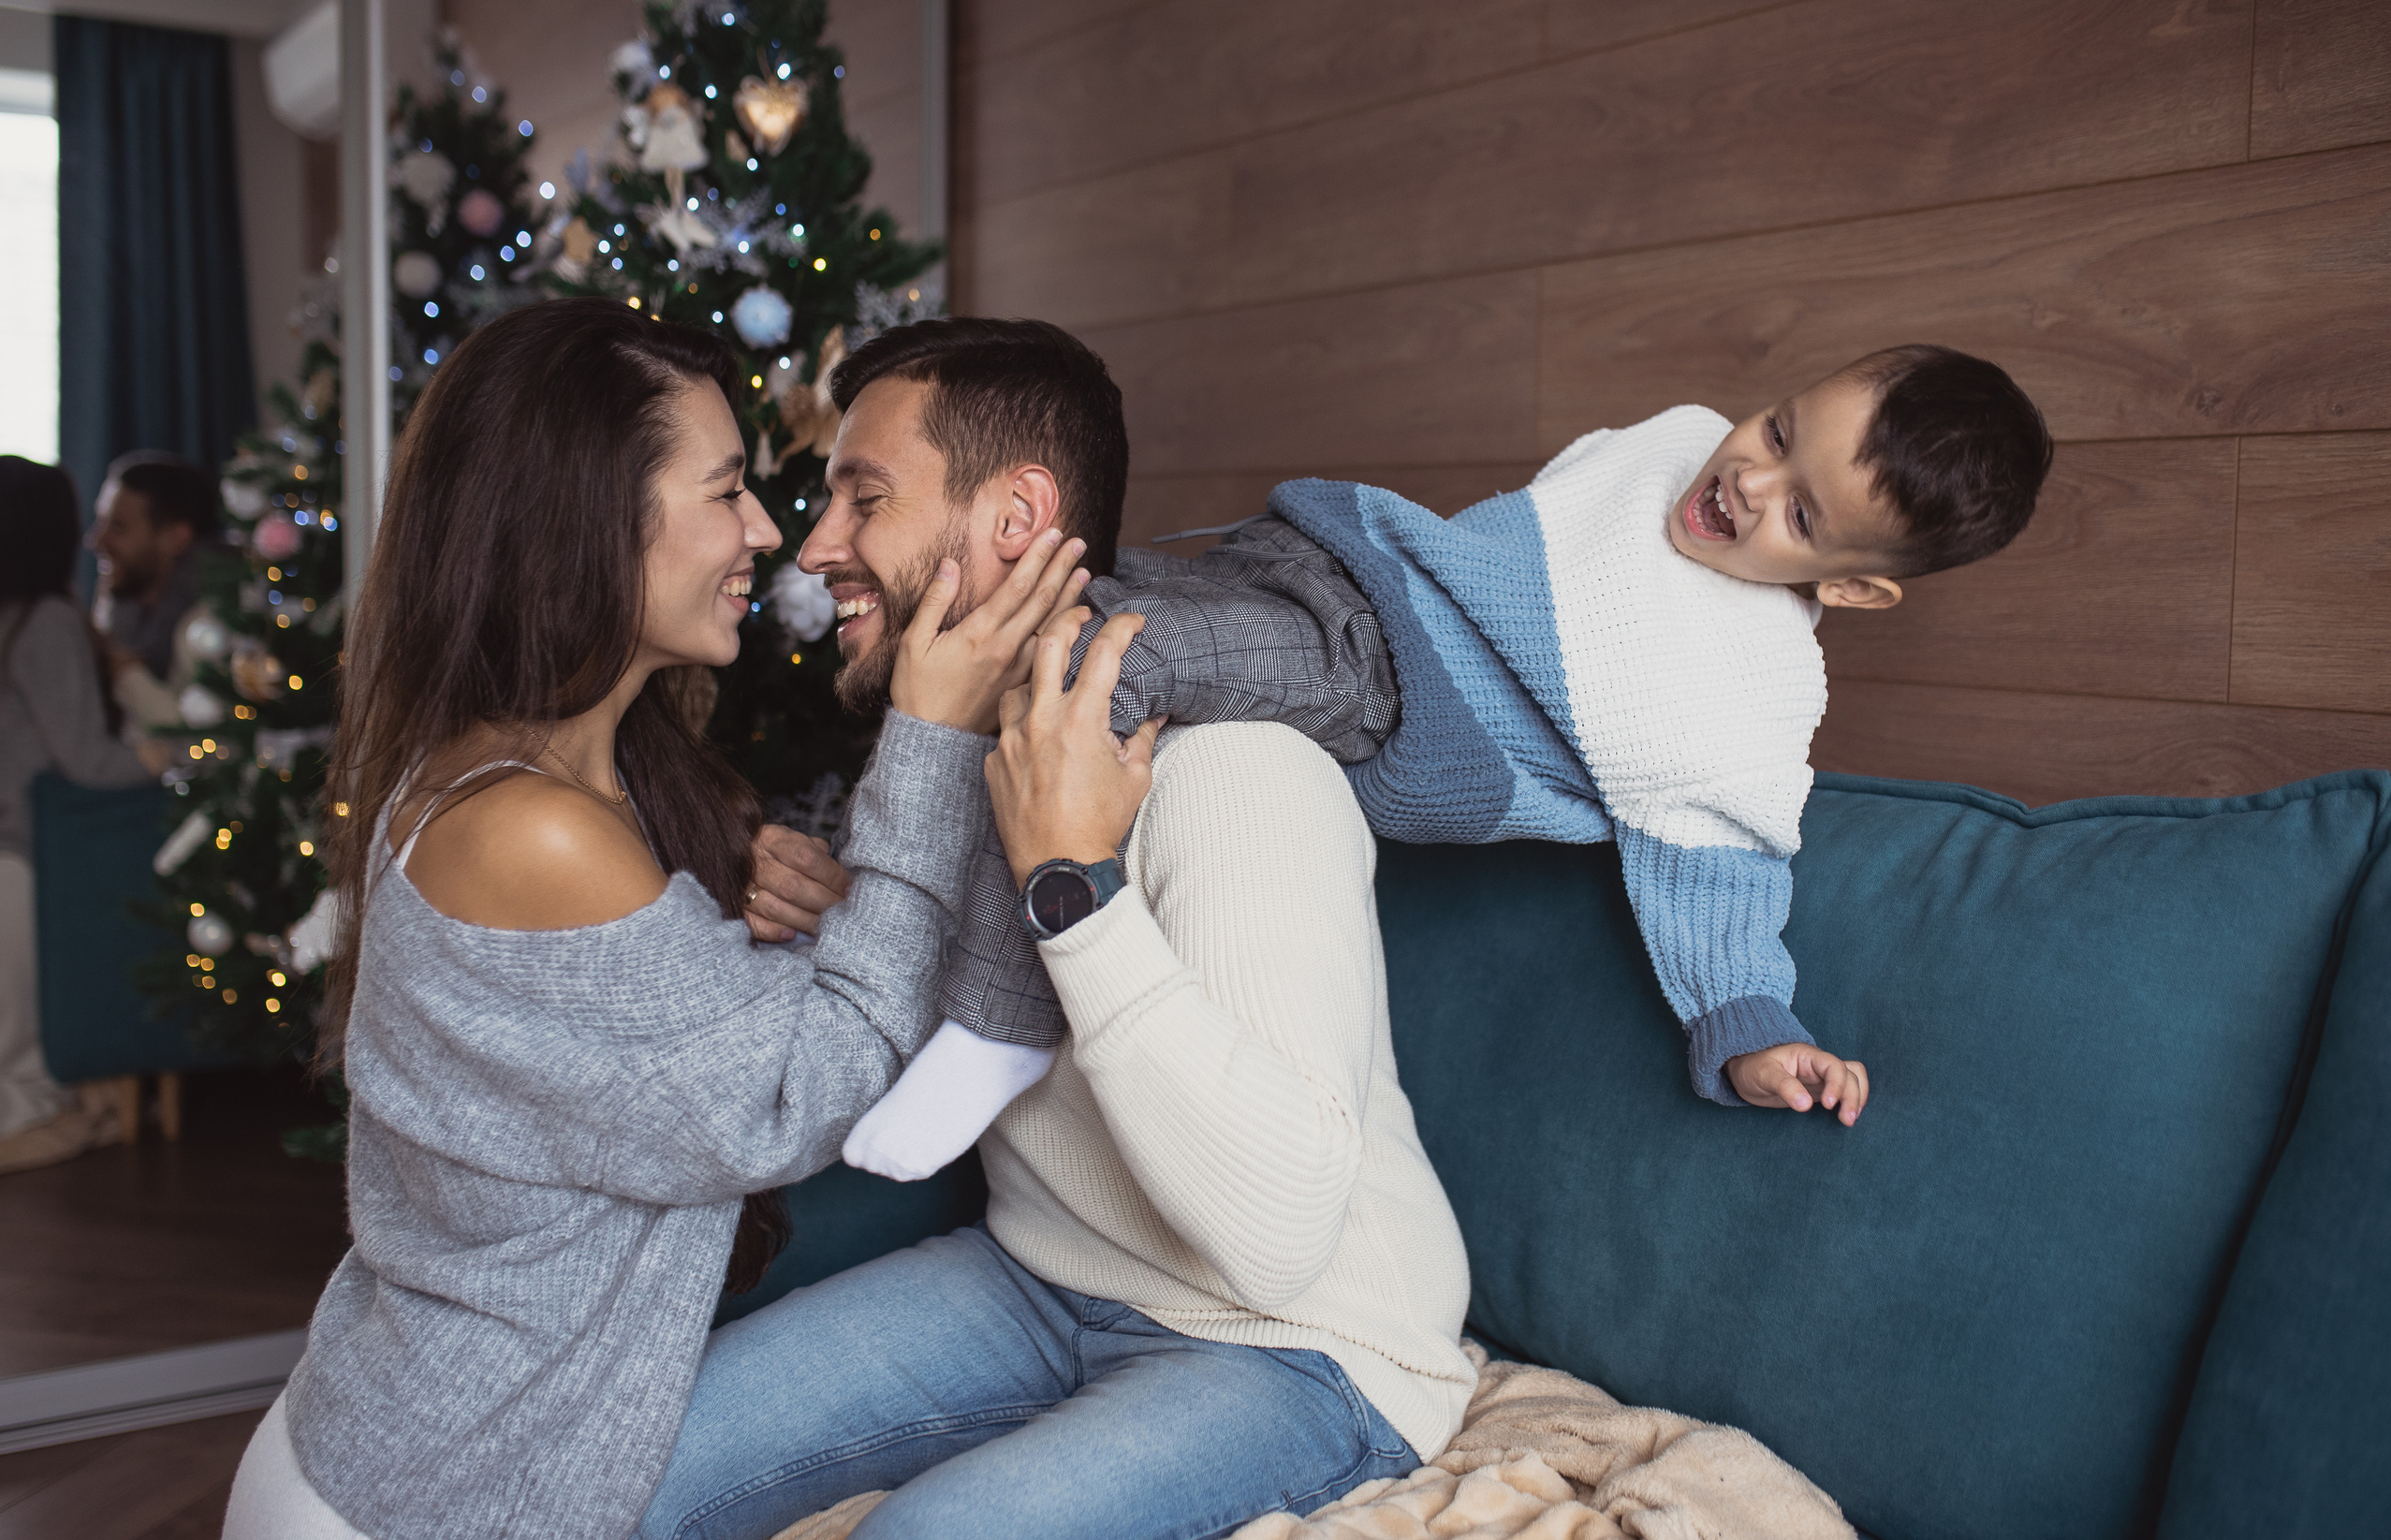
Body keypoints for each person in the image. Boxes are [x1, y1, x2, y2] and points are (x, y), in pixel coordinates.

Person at [217, 299, 1139, 1540]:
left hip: (410, 1453)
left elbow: (666, 1063)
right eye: (726, 492)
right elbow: (808, 1087)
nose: (770, 533)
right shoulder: (527, 832)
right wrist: (931, 736)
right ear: (588, 525)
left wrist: (834, 923)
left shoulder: (587, 776)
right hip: (416, 1505)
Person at [636, 318, 1474, 1540]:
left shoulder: (1237, 768)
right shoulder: (948, 750)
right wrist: (849, 925)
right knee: (640, 1465)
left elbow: (1279, 1239)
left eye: (864, 499)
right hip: (1039, 1275)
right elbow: (977, 1044)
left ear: (1015, 517)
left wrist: (1073, 884)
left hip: (1301, 1347)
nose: (813, 551)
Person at [846, 343, 2056, 1181]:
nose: (1745, 480)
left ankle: (1000, 1025)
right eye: (1780, 429)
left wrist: (1755, 1033)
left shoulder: (1749, 706)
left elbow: (1725, 887)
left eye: (1800, 512)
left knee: (1092, 659)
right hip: (1323, 561)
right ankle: (847, 864)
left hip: (1371, 682)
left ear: (1848, 585)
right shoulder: (1686, 438)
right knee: (1049, 607)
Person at [0, 456, 160, 1174]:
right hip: (18, 855)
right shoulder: (48, 621)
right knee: (19, 1073)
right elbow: (85, 759)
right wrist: (162, 760)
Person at [85, 450, 220, 729]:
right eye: (101, 522)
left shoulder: (210, 623)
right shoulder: (122, 600)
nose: (96, 540)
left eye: (118, 527)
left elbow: (196, 736)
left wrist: (122, 670)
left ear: (176, 537)